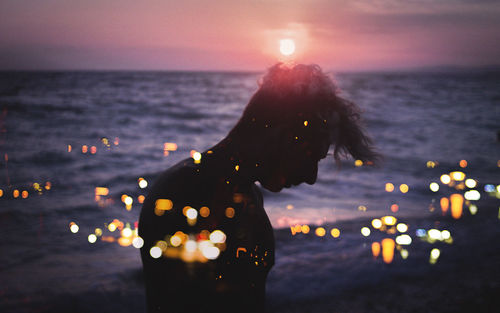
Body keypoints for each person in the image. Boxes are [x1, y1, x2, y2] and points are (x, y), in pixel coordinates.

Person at [139, 63, 378, 313]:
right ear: (284, 136)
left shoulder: (241, 193)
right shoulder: (189, 193)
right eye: (312, 157)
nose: (311, 177)